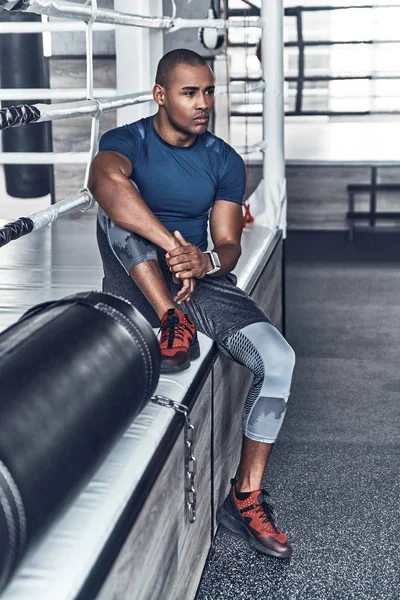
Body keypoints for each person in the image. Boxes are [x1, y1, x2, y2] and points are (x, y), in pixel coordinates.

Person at [88, 48, 296, 559]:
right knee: (119, 208)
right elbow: (103, 183)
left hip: (193, 275)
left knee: (280, 359)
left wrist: (205, 261)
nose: (203, 103)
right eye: (189, 92)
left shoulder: (223, 159)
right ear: (160, 95)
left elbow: (228, 245)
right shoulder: (126, 140)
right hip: (135, 268)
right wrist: (171, 245)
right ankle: (170, 319)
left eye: (208, 92)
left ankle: (244, 498)